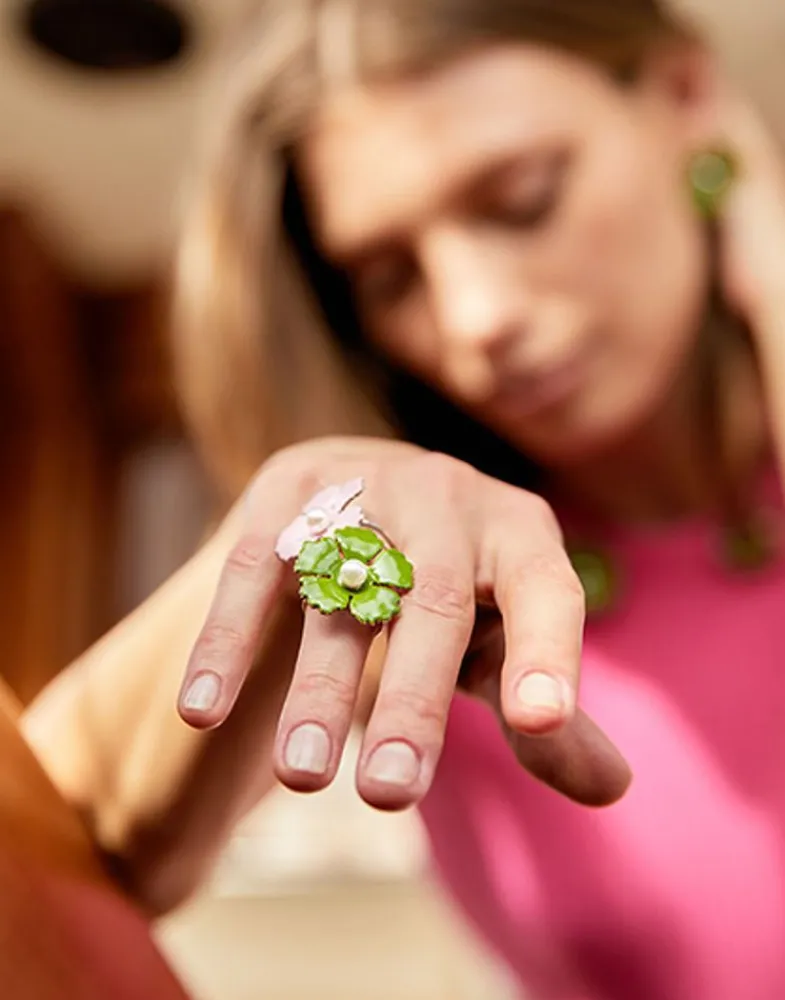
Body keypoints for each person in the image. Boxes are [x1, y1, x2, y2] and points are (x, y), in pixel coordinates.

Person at [19, 0, 785, 996]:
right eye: (387, 279)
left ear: (682, 95)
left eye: (523, 200)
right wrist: (313, 513)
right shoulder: (422, 604)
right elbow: (38, 864)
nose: (475, 317)